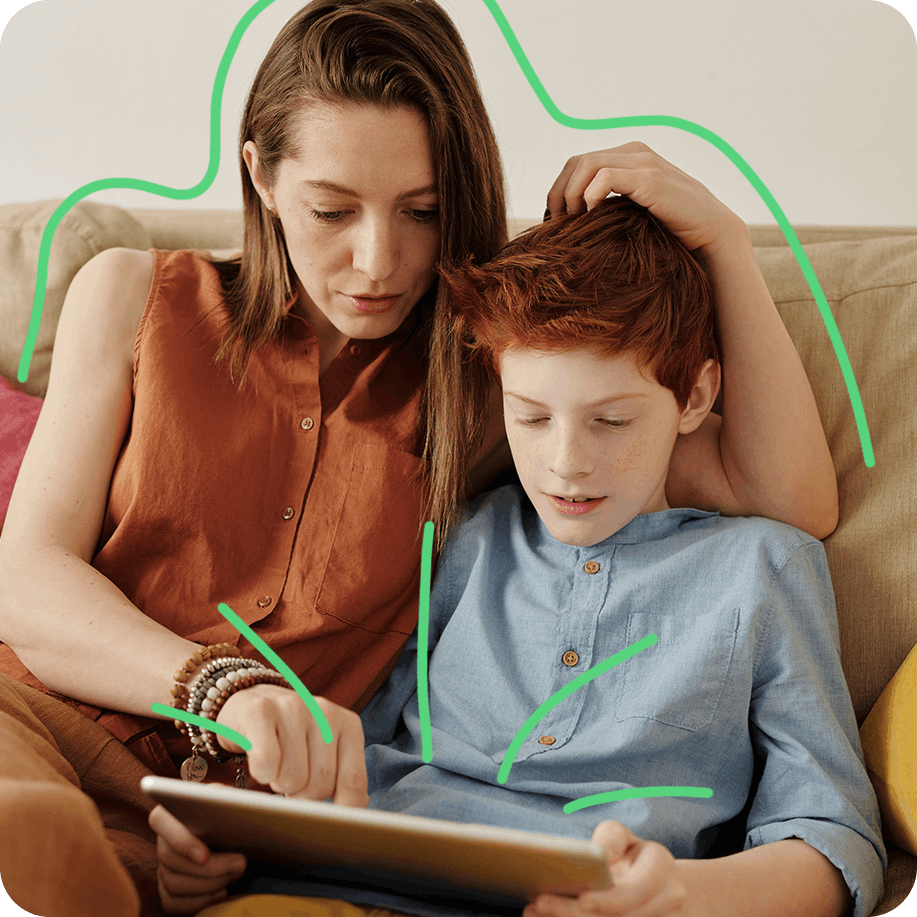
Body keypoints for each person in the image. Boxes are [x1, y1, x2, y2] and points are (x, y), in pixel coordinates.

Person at [0, 0, 838, 915]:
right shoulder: (131, 292)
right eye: (330, 208)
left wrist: (721, 235)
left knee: (84, 881)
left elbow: (781, 498)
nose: (377, 261)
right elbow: (26, 581)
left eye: (422, 211)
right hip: (42, 721)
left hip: (237, 828)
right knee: (25, 823)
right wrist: (225, 686)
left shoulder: (498, 380)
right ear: (262, 178)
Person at [156, 197, 882, 917]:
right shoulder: (469, 534)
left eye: (611, 420)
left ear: (693, 396)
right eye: (530, 417)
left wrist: (680, 896)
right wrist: (220, 854)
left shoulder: (760, 565)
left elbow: (830, 835)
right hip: (344, 883)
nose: (565, 463)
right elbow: (347, 753)